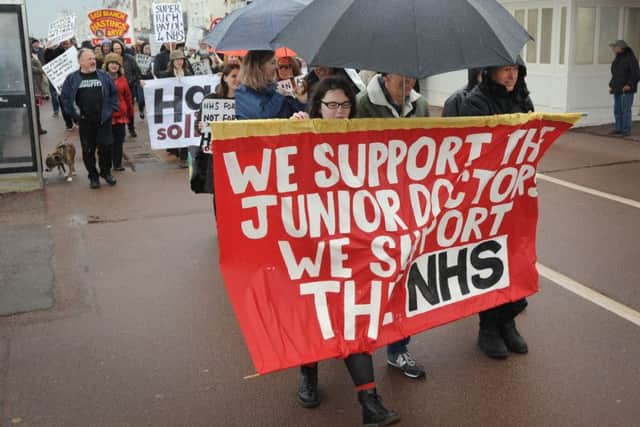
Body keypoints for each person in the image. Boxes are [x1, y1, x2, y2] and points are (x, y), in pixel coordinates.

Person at [287, 76, 401, 427]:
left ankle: (369, 400)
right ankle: (308, 374)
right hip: (312, 244)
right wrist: (293, 133)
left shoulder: (363, 136)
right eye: (330, 105)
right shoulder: (300, 132)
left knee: (354, 315)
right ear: (317, 106)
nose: (338, 112)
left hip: (353, 244)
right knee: (316, 312)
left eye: (344, 105)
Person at [355, 72, 429, 379]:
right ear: (386, 77)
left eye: (413, 80)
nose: (408, 85)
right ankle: (356, 342)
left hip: (407, 203)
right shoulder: (362, 104)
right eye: (403, 80)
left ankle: (398, 348)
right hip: (370, 203)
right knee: (367, 276)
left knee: (404, 276)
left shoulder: (420, 104)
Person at [458, 61, 534, 359]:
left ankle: (508, 321)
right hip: (485, 196)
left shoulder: (523, 98)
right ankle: (488, 327)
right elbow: (474, 146)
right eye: (504, 69)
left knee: (516, 258)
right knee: (491, 261)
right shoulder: (475, 102)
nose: (511, 74)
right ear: (488, 72)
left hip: (516, 191)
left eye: (515, 68)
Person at [61, 48, 119, 189]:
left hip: (103, 119)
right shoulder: (72, 78)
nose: (93, 61)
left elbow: (113, 94)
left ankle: (106, 172)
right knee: (88, 150)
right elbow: (66, 98)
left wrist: (111, 109)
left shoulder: (103, 76)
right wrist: (75, 116)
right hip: (85, 121)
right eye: (89, 59)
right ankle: (93, 176)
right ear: (80, 62)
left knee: (106, 147)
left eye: (93, 58)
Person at [191, 64, 240, 199]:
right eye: (234, 76)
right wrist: (200, 127)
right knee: (219, 192)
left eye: (240, 76)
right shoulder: (211, 99)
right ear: (224, 78)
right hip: (215, 154)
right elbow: (199, 127)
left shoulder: (245, 101)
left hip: (237, 153)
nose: (237, 80)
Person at [235, 50, 306, 119]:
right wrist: (278, 95)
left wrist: (301, 100)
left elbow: (295, 110)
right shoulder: (242, 92)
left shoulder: (273, 87)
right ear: (259, 66)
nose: (277, 67)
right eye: (273, 63)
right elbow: (263, 116)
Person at [160, 49, 193, 167]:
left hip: (186, 106)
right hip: (172, 106)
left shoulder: (189, 74)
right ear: (172, 61)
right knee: (175, 129)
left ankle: (184, 158)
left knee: (185, 130)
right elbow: (158, 86)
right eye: (177, 59)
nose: (179, 62)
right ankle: (175, 150)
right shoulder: (166, 75)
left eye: (181, 59)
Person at [103, 53, 133, 172]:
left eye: (116, 64)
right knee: (108, 141)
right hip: (107, 115)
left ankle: (117, 163)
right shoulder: (102, 79)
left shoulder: (123, 79)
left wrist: (130, 113)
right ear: (107, 65)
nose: (114, 66)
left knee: (119, 140)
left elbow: (128, 97)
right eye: (112, 63)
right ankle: (108, 162)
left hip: (121, 115)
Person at [608, 40, 640, 137]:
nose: (613, 49)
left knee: (626, 110)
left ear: (621, 48)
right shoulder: (617, 59)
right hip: (617, 88)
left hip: (627, 89)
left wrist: (629, 85)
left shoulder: (631, 59)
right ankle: (619, 128)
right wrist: (611, 85)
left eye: (615, 47)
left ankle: (626, 130)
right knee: (617, 109)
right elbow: (615, 74)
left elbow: (636, 74)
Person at [112, 39, 141, 138]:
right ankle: (121, 130)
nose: (117, 50)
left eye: (119, 48)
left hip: (129, 88)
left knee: (129, 109)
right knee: (119, 109)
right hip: (116, 89)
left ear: (122, 48)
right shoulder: (111, 59)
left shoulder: (129, 58)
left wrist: (131, 81)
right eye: (115, 49)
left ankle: (131, 128)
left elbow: (137, 72)